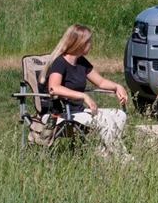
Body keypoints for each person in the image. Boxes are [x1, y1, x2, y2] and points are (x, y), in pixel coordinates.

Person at [39, 24, 130, 157]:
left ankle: (105, 152)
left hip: (77, 111)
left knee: (119, 115)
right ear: (80, 44)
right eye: (88, 41)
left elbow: (101, 82)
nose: (90, 44)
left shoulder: (81, 62)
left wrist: (117, 86)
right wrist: (83, 96)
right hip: (60, 113)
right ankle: (121, 157)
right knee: (103, 120)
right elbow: (54, 88)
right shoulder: (59, 62)